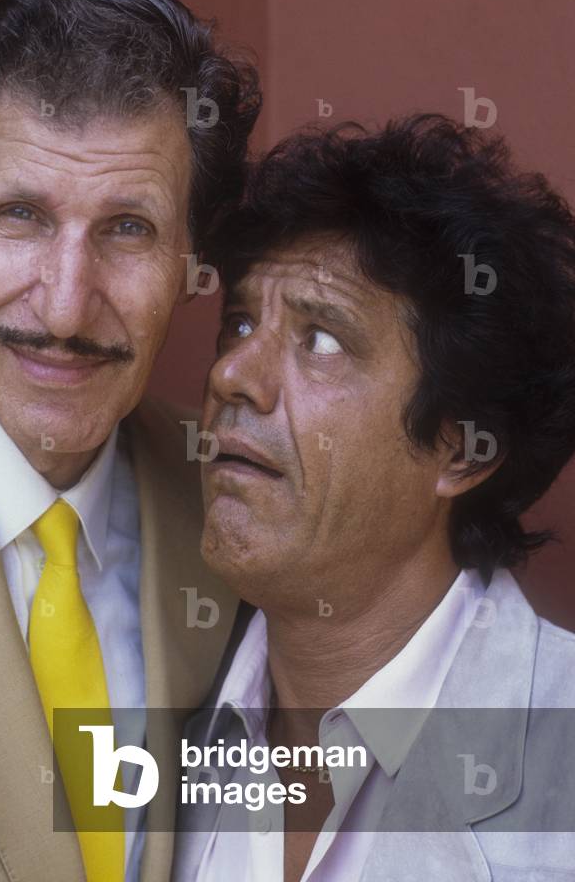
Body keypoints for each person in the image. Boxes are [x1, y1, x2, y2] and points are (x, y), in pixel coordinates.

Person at [0, 0, 261, 882]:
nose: (64, 308)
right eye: (21, 216)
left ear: (191, 261)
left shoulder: (240, 512)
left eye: (128, 230)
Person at [173, 115, 575, 881]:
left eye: (321, 339)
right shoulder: (154, 731)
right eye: (240, 322)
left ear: (458, 450)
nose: (231, 374)